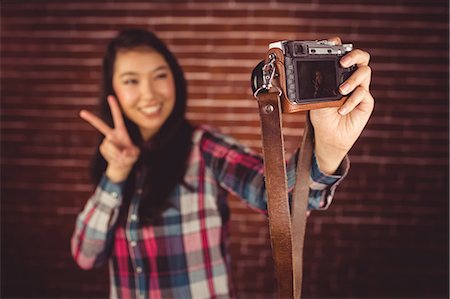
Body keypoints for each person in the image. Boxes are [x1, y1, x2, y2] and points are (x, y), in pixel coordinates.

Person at [71, 28, 374, 299]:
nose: (149, 92)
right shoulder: (111, 161)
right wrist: (117, 173)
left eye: (160, 75)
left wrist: (328, 149)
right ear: (113, 91)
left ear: (175, 78)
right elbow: (86, 255)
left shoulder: (203, 146)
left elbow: (283, 198)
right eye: (131, 81)